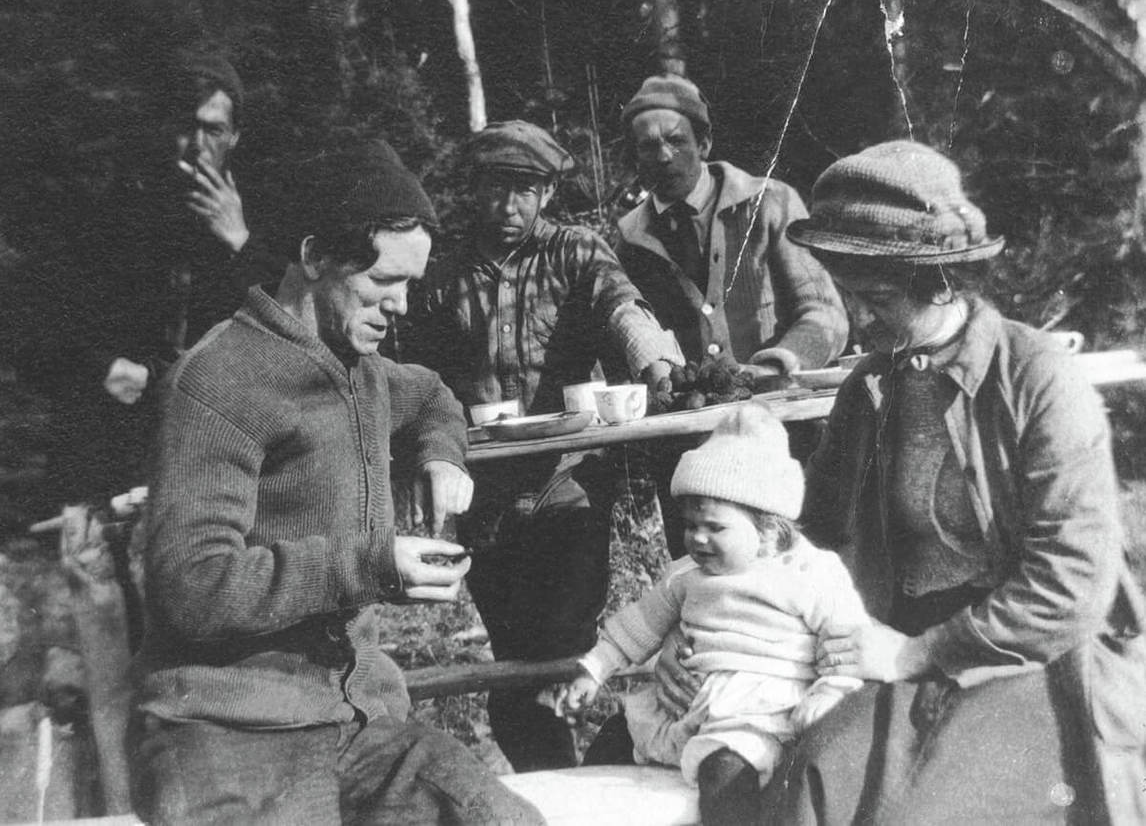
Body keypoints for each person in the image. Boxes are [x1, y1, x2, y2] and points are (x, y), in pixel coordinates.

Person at [130, 143, 543, 825]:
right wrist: (369, 565)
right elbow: (191, 586)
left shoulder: (363, 366)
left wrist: (444, 455)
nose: (403, 305)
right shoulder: (217, 382)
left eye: (412, 285)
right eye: (386, 282)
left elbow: (435, 395)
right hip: (231, 733)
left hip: (360, 727)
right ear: (317, 255)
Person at [764, 139, 1146, 823]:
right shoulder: (870, 386)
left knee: (921, 813)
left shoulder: (1039, 381)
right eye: (846, 296)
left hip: (1034, 658)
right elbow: (814, 536)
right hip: (896, 641)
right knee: (812, 778)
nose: (854, 322)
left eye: (874, 299)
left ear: (940, 283)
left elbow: (1069, 587)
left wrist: (921, 653)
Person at [401, 119, 683, 772]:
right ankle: (553, 787)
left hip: (570, 484)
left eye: (525, 191)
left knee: (563, 643)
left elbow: (622, 309)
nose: (509, 207)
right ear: (474, 191)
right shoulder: (442, 275)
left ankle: (608, 764)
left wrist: (656, 365)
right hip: (487, 493)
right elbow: (415, 373)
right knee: (513, 658)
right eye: (496, 190)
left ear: (549, 192)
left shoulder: (576, 253)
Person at [552, 403, 869, 825]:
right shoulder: (686, 575)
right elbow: (637, 626)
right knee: (613, 737)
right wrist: (593, 670)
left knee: (725, 773)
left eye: (715, 528)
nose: (697, 538)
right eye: (689, 524)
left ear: (769, 528)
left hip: (759, 713)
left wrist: (832, 689)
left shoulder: (810, 572)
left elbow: (847, 639)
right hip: (690, 706)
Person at [13, 50, 277, 506]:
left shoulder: (262, 223)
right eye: (184, 126)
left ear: (234, 136)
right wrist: (101, 369)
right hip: (107, 451)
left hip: (211, 456)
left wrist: (239, 242)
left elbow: (289, 335)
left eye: (213, 130)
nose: (196, 146)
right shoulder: (108, 211)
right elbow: (31, 327)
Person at [613, 74, 849, 552]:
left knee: (799, 571)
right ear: (634, 157)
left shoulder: (771, 203)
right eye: (647, 146)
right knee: (708, 587)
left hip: (783, 432)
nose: (663, 156)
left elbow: (825, 314)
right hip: (692, 448)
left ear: (705, 142)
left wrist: (778, 362)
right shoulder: (628, 239)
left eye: (677, 141)